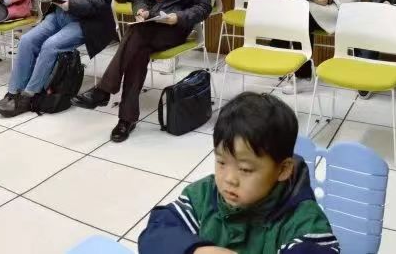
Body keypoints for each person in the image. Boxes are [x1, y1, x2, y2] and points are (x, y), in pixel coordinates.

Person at [139, 92, 339, 254]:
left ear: (283, 169)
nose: (229, 179)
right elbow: (156, 232)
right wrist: (196, 250)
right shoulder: (203, 197)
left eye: (245, 169)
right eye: (221, 162)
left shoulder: (303, 220)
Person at [74, 0, 211, 142]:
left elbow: (203, 7)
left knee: (135, 35)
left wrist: (178, 17)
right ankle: (125, 119)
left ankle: (104, 92)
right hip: (148, 25)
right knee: (138, 49)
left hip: (174, 28)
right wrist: (141, 10)